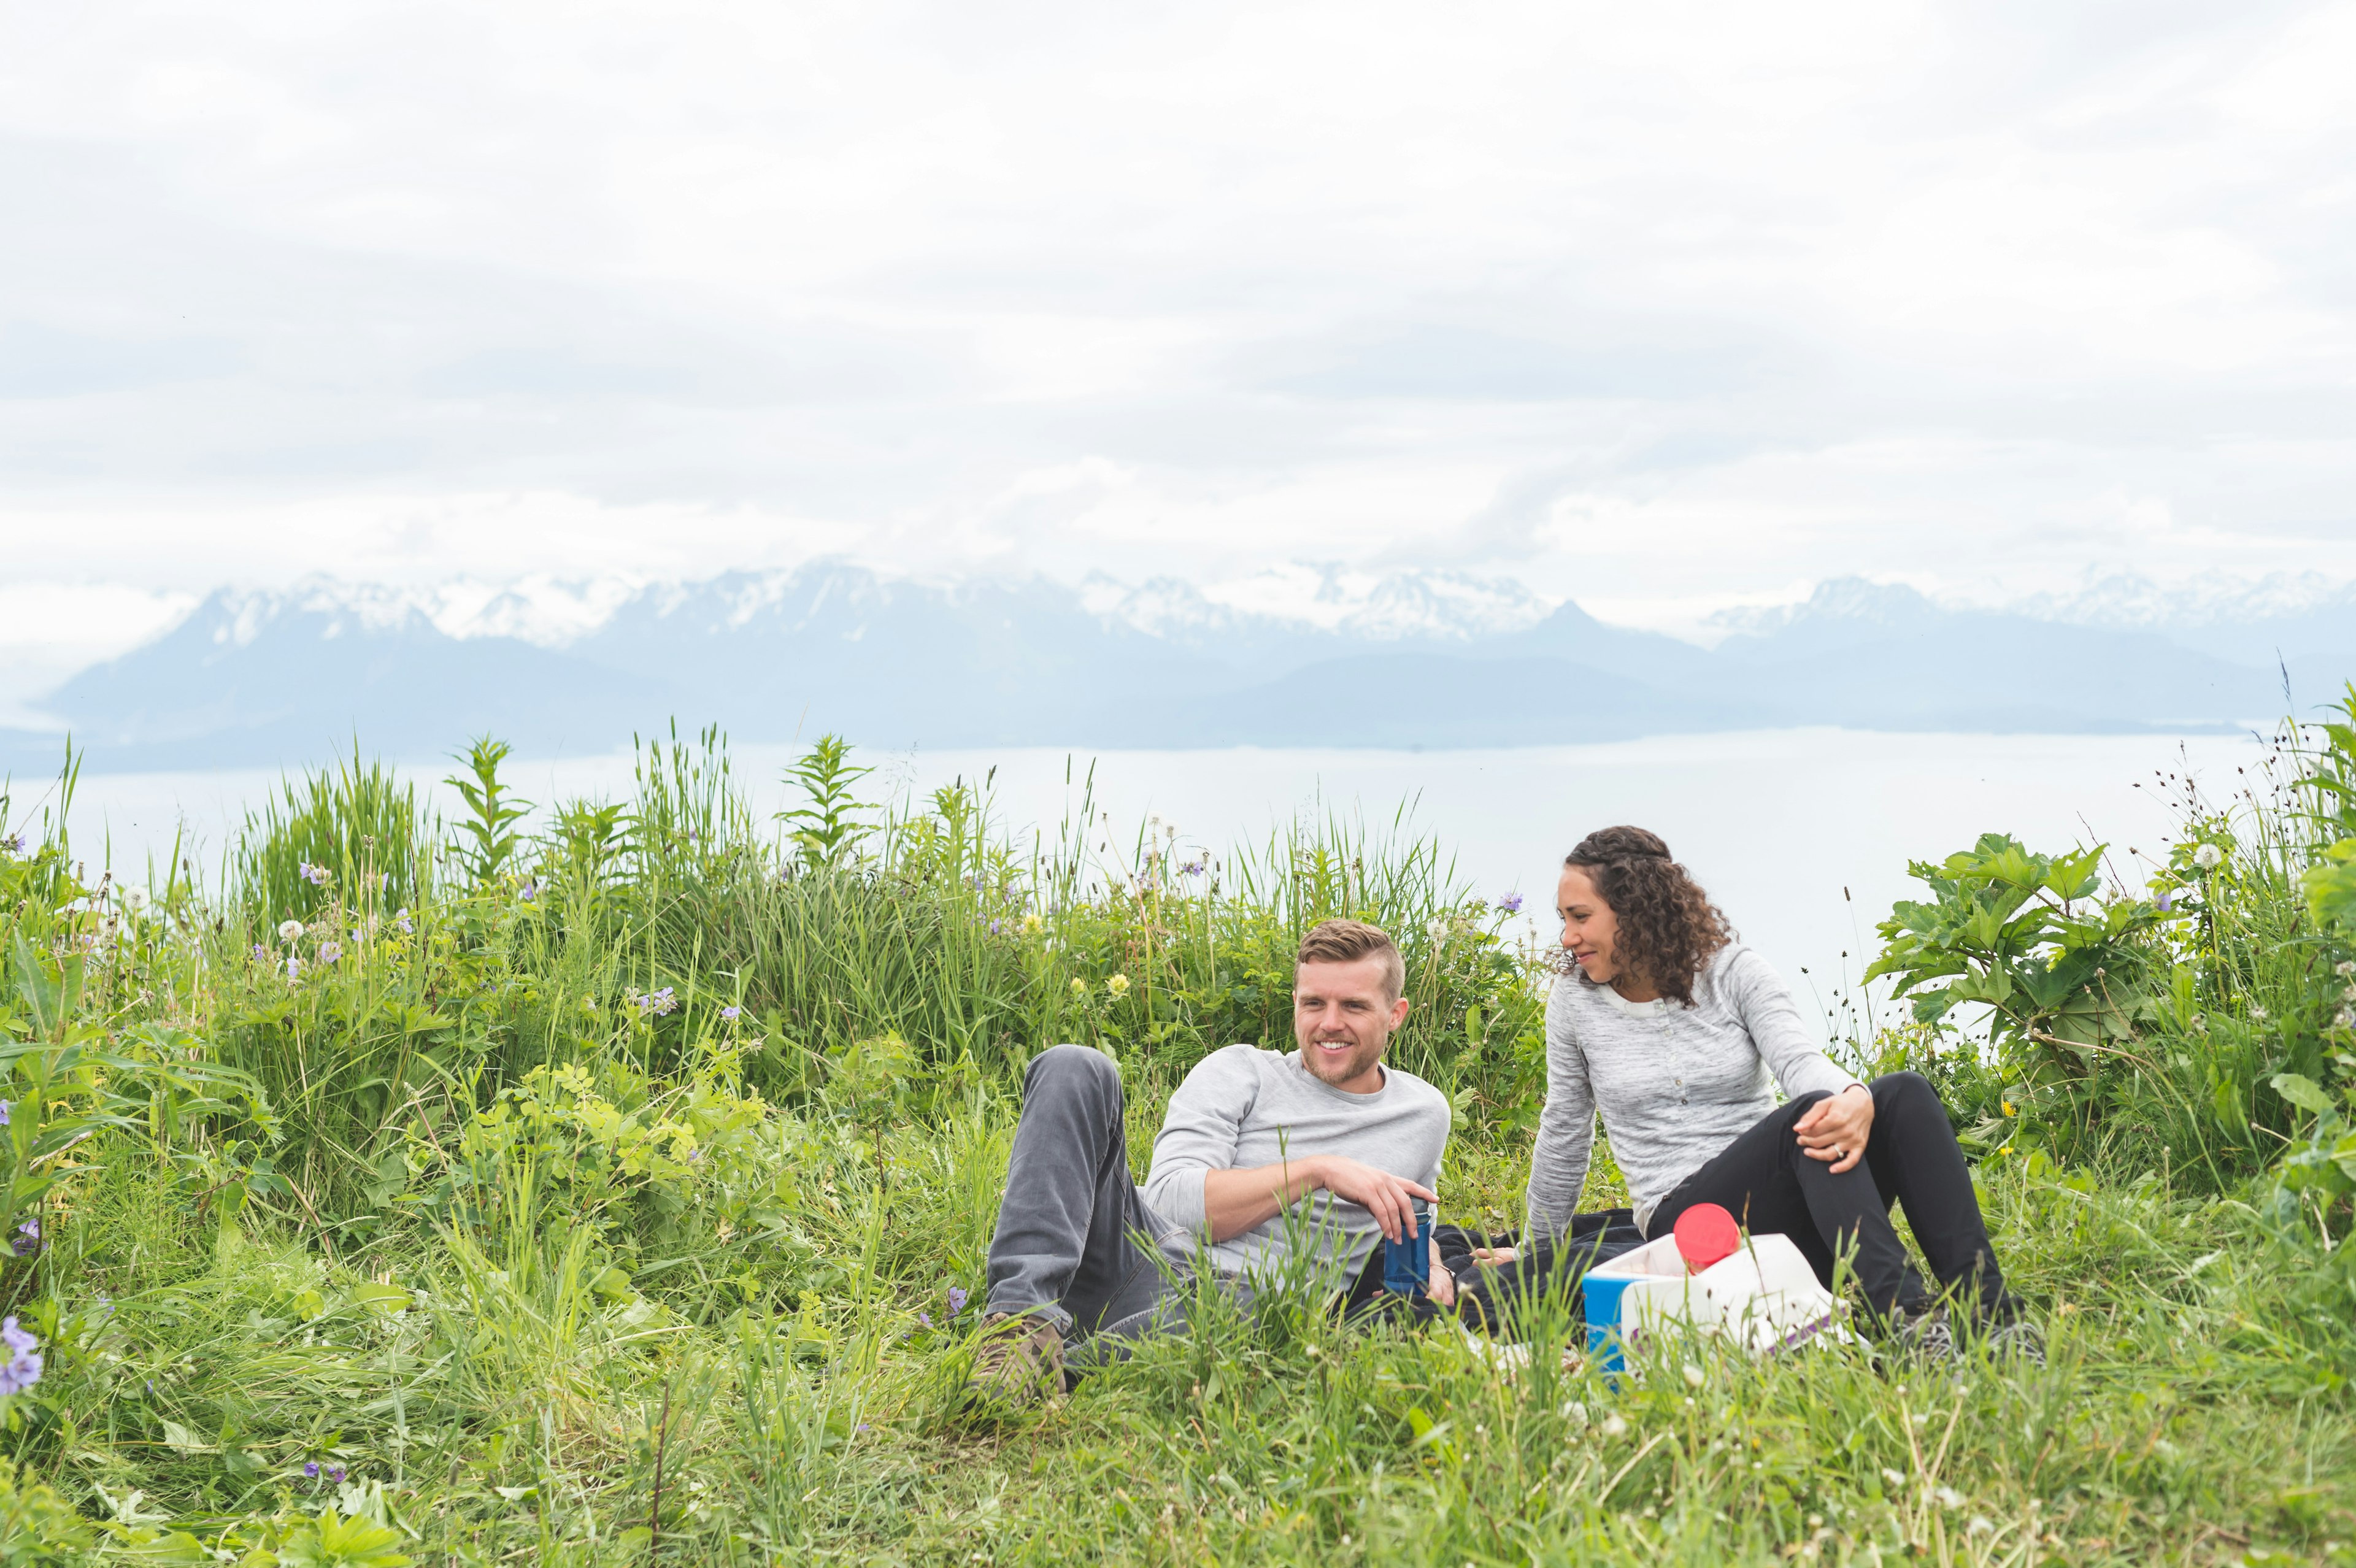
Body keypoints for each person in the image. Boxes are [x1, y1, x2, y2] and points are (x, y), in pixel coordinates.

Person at [1487, 826, 2038, 1362]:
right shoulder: (1574, 1003)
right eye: (1564, 920)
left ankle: (1992, 1317)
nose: (1567, 937)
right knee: (1804, 1123)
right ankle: (1909, 1319)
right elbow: (1564, 1132)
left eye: (1581, 918)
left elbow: (1799, 1061)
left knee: (1902, 1094)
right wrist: (1535, 1258)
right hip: (1690, 1229)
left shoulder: (1733, 972)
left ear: (1636, 910)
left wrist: (1852, 1095)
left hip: (1790, 1217)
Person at [968, 917, 1457, 1404]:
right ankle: (1018, 1328)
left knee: (1254, 1307)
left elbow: (1413, 1217)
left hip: (1252, 1302)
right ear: (1295, 1004)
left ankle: (1064, 1364)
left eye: (1353, 1006)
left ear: (1396, 1014)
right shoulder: (1241, 1070)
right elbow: (1172, 1202)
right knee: (1074, 1066)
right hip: (1143, 1254)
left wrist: (1433, 1265)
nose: (1330, 1023)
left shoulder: (1424, 1114)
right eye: (1314, 1003)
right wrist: (1317, 1171)